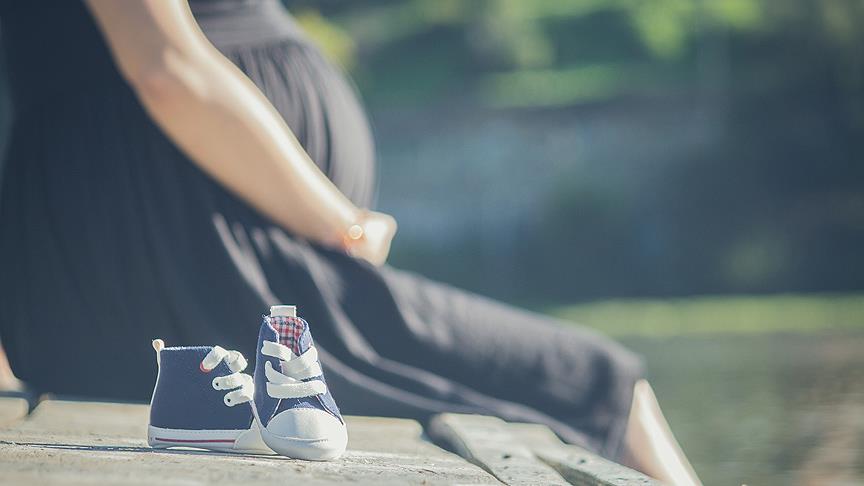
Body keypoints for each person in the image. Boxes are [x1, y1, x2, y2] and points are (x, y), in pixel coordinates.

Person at [0, 1, 701, 483]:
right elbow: (167, 69)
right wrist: (340, 222)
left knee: (595, 385)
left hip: (176, 255)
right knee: (597, 384)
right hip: (181, 254)